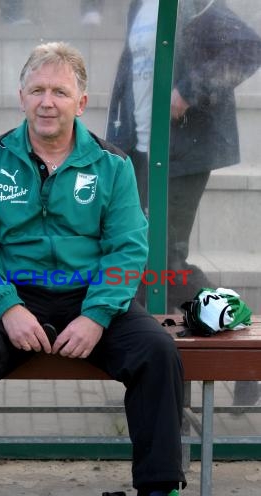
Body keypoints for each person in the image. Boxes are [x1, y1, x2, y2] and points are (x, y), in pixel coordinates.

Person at [0, 41, 191, 496]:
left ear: (80, 103)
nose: (47, 101)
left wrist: (97, 315)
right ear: (21, 97)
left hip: (93, 299)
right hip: (10, 299)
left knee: (157, 352)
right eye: (37, 89)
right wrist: (7, 306)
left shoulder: (113, 165)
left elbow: (128, 249)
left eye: (60, 91)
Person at [106, 0, 261, 312]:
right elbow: (132, 76)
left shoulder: (192, 2)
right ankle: (147, 328)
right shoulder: (139, 6)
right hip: (139, 150)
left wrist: (189, 90)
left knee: (165, 258)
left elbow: (249, 48)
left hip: (180, 151)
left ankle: (228, 316)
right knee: (141, 251)